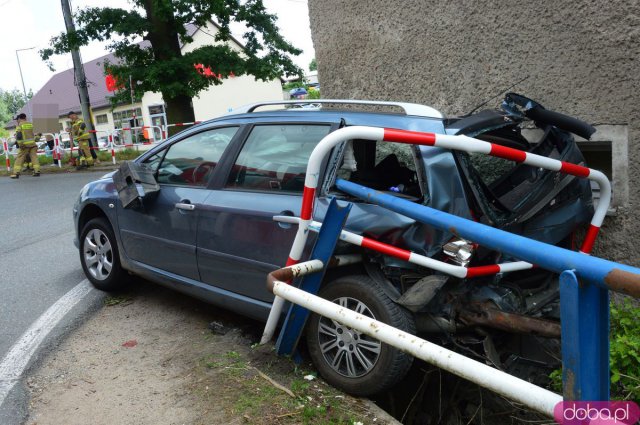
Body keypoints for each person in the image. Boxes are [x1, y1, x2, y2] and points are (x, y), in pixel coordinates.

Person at [10, 113, 40, 178]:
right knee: (34, 157)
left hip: (24, 146)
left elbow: (19, 136)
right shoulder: (31, 124)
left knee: (19, 158)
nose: (17, 121)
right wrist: (37, 139)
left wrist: (21, 145)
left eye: (17, 119)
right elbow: (38, 134)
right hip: (33, 145)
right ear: (25, 118)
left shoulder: (20, 125)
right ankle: (37, 171)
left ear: (20, 118)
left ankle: (16, 173)